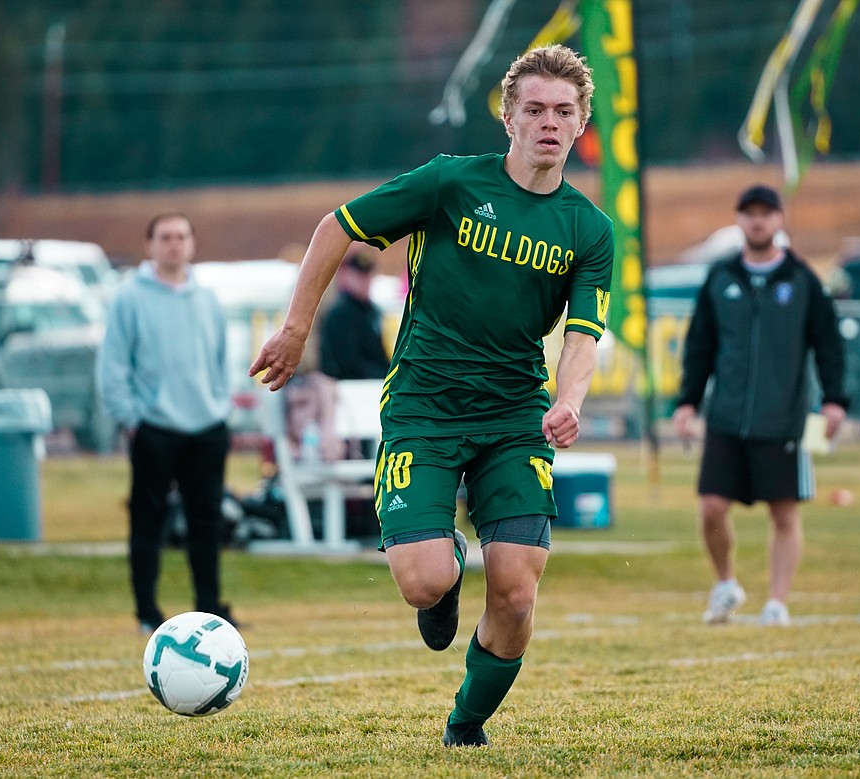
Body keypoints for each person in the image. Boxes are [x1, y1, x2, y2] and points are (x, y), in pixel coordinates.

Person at [249, 44, 613, 747]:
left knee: (514, 590)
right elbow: (337, 227)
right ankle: (441, 570)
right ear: (508, 117)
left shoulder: (588, 230)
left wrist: (569, 398)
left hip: (514, 417)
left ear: (580, 122)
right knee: (423, 580)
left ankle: (465, 724)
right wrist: (297, 329)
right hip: (425, 407)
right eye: (533, 108)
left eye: (563, 111)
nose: (548, 121)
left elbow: (583, 333)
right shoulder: (450, 184)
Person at [671, 184, 848, 628]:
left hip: (781, 419)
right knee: (711, 507)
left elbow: (828, 344)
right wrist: (688, 403)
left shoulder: (802, 281)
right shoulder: (721, 277)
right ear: (738, 220)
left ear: (780, 219)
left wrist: (834, 401)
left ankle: (777, 602)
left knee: (784, 512)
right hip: (726, 417)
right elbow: (699, 346)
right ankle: (726, 584)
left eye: (765, 213)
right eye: (748, 213)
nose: (757, 221)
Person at [97, 212, 234, 634]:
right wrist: (131, 417)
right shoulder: (129, 298)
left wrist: (220, 407)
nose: (174, 244)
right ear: (150, 245)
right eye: (165, 237)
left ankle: (209, 607)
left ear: (191, 243)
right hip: (154, 427)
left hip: (206, 427)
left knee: (206, 520)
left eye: (181, 236)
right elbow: (113, 364)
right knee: (148, 518)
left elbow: (219, 360)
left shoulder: (207, 298)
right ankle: (145, 610)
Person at [318, 250, 389, 382]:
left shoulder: (371, 311)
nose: (365, 281)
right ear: (345, 276)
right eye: (359, 276)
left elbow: (378, 355)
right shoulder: (340, 313)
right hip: (348, 385)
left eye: (368, 275)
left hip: (365, 383)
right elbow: (349, 364)